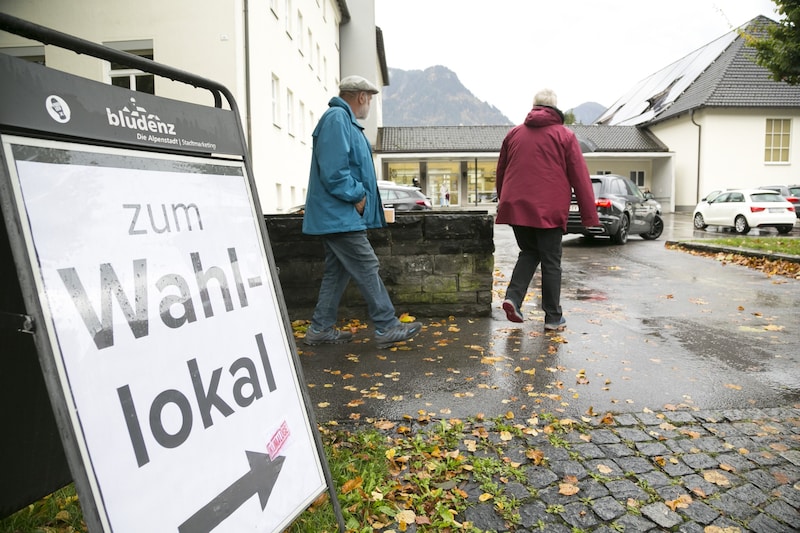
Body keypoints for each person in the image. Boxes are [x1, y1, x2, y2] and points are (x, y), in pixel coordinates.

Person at [302, 75, 422, 348]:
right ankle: (386, 326)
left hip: (338, 215)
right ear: (361, 97)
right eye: (369, 98)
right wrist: (357, 195)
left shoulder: (342, 120)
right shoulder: (337, 119)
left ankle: (320, 329)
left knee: (338, 272)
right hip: (339, 214)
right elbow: (334, 172)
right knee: (367, 265)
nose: (369, 104)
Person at [495, 88, 601, 331]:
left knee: (529, 251)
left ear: (534, 107)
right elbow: (580, 176)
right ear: (555, 108)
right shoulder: (564, 135)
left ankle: (513, 297)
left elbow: (501, 171)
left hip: (516, 205)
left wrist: (505, 200)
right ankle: (553, 318)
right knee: (551, 261)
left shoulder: (513, 134)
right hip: (549, 209)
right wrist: (589, 216)